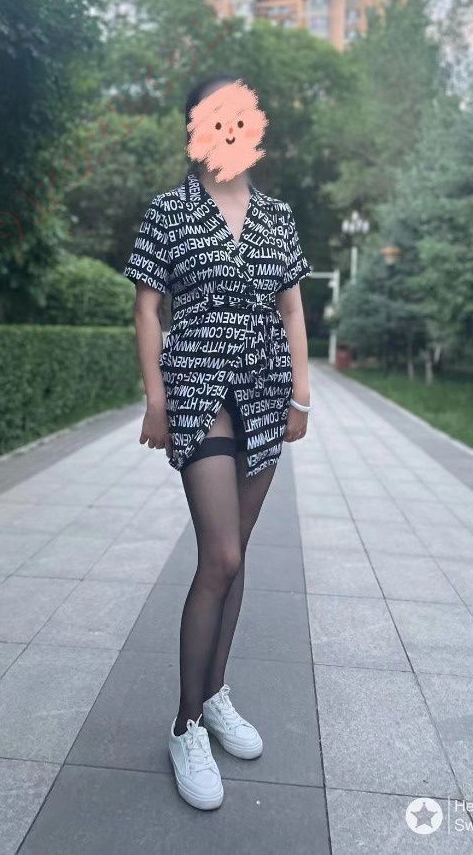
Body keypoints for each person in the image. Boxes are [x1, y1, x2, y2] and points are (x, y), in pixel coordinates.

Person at [123, 74, 311, 810]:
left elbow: (292, 309)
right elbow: (148, 309)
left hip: (264, 391)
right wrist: (156, 399)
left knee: (238, 559)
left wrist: (301, 393)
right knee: (221, 556)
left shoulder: (277, 216)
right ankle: (186, 724)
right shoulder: (170, 211)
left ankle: (215, 691)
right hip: (200, 391)